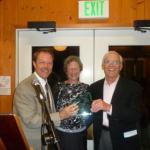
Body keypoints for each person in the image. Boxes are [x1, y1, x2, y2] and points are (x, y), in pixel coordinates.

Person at [13, 48, 78, 150]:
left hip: (45, 141)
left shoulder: (45, 84)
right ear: (34, 64)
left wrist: (61, 112)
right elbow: (31, 120)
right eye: (42, 62)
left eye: (49, 63)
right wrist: (60, 115)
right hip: (31, 144)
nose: (46, 67)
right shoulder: (25, 87)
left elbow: (46, 112)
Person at [88, 51, 142, 150]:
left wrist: (108, 107)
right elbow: (89, 110)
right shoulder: (93, 87)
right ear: (103, 66)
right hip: (101, 135)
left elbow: (136, 114)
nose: (111, 65)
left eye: (115, 62)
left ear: (121, 66)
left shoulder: (133, 87)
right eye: (107, 62)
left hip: (124, 138)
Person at [53, 56, 92, 150]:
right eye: (70, 69)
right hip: (61, 134)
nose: (73, 71)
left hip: (80, 134)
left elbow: (91, 112)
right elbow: (51, 109)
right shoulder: (58, 87)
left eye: (76, 68)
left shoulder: (87, 88)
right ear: (66, 70)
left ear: (80, 70)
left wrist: (83, 124)